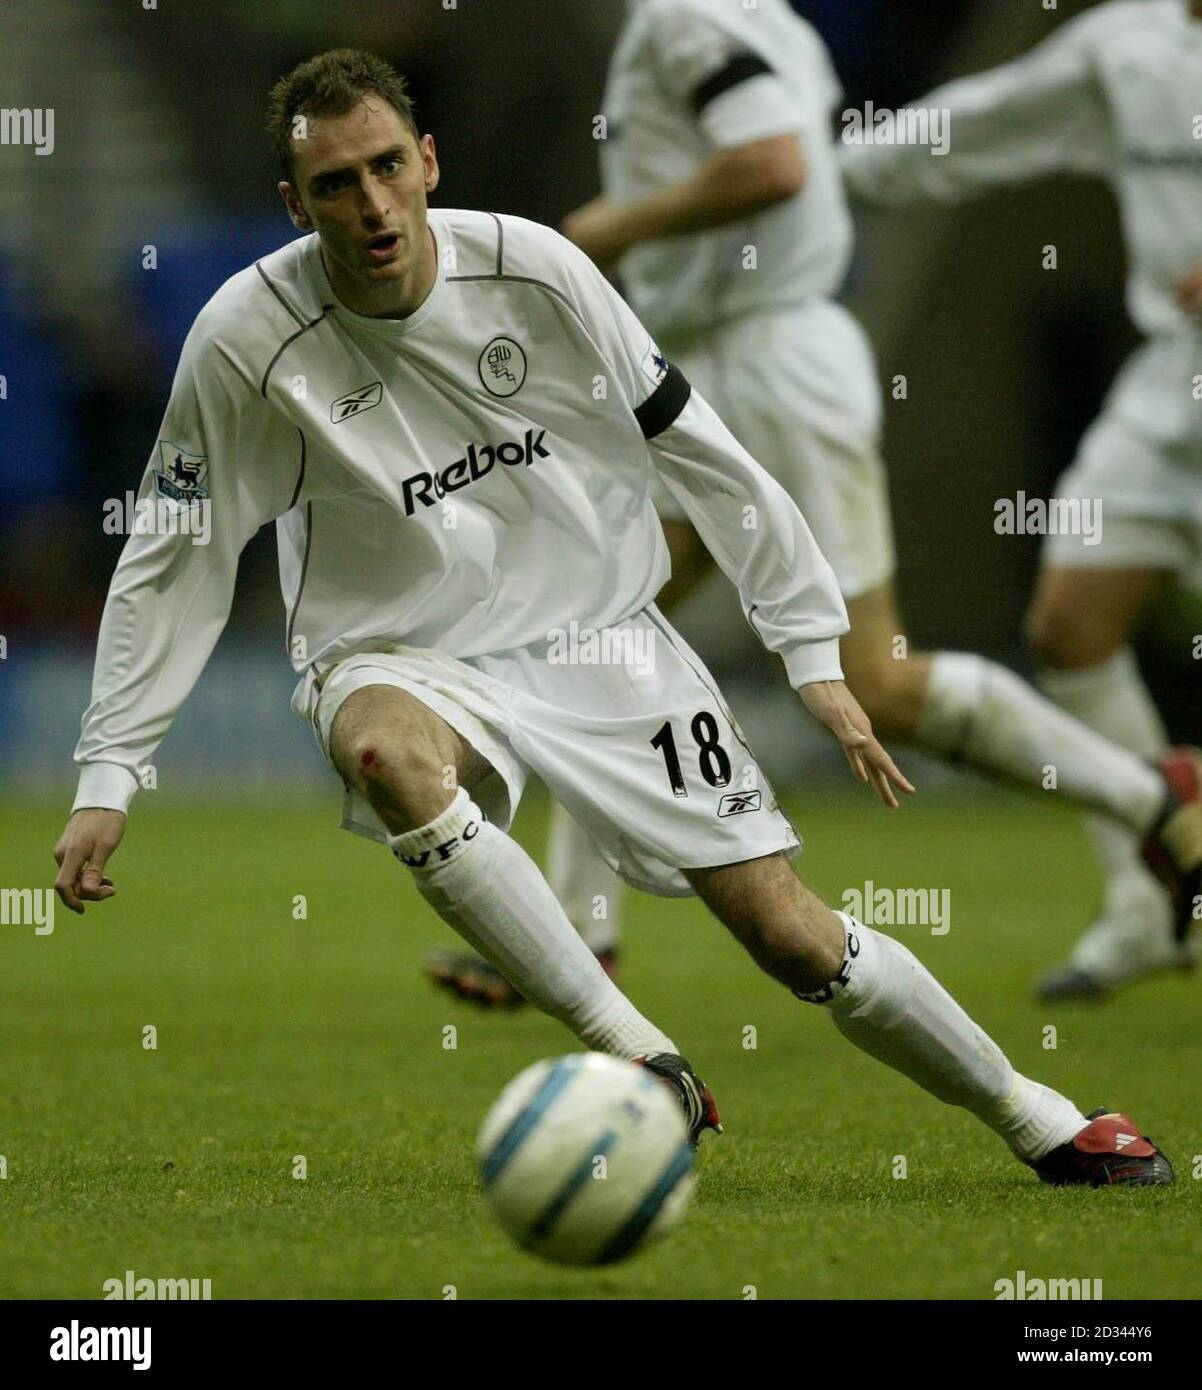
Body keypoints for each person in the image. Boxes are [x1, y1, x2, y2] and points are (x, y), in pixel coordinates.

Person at [54, 48, 1173, 1186]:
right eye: (336, 184)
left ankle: (1034, 1113)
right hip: (397, 648)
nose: (372, 204)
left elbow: (699, 449)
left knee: (791, 937)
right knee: (384, 751)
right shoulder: (244, 340)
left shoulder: (537, 271)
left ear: (428, 161)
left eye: (388, 166)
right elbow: (173, 558)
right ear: (295, 205)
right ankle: (639, 1056)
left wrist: (806, 646)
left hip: (600, 638)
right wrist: (110, 773)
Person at [430, 0, 1201, 1009]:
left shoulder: (684, 21)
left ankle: (1155, 796)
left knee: (870, 680)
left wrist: (604, 227)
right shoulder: (774, 23)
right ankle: (581, 938)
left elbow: (774, 164)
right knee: (604, 625)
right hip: (715, 360)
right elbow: (894, 142)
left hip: (771, 361)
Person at [840, 0, 1202, 999]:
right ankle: (1150, 904)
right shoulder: (1127, 40)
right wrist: (833, 171)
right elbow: (986, 118)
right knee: (1069, 623)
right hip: (1170, 386)